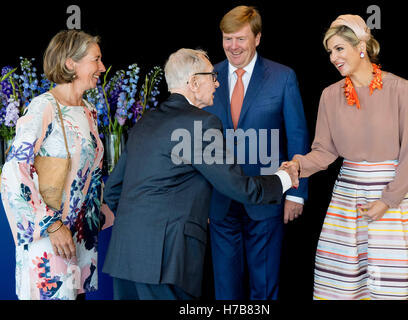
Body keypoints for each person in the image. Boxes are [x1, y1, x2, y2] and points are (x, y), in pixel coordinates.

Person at [102, 48, 300, 300]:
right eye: (212, 76)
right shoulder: (201, 123)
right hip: (165, 262)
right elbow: (239, 187)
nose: (217, 83)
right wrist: (284, 177)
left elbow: (114, 189)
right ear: (194, 82)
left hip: (125, 257)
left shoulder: (146, 121)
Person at [289, 14, 408, 300]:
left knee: (396, 284)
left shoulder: (401, 89)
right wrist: (299, 164)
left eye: (339, 49)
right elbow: (325, 151)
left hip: (397, 200)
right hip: (349, 201)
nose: (333, 57)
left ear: (361, 46)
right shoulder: (329, 95)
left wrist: (388, 200)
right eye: (329, 51)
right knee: (346, 285)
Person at [203, 5, 309, 300]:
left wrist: (297, 193)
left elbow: (297, 136)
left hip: (267, 196)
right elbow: (199, 141)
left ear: (257, 39)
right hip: (220, 200)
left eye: (240, 38)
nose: (233, 46)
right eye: (227, 38)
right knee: (225, 288)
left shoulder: (282, 77)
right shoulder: (208, 75)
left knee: (264, 287)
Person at [0, 30, 106, 300]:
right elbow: (13, 172)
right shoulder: (43, 107)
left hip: (76, 243)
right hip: (49, 239)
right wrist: (52, 224)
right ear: (71, 63)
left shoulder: (89, 110)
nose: (102, 68)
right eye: (96, 60)